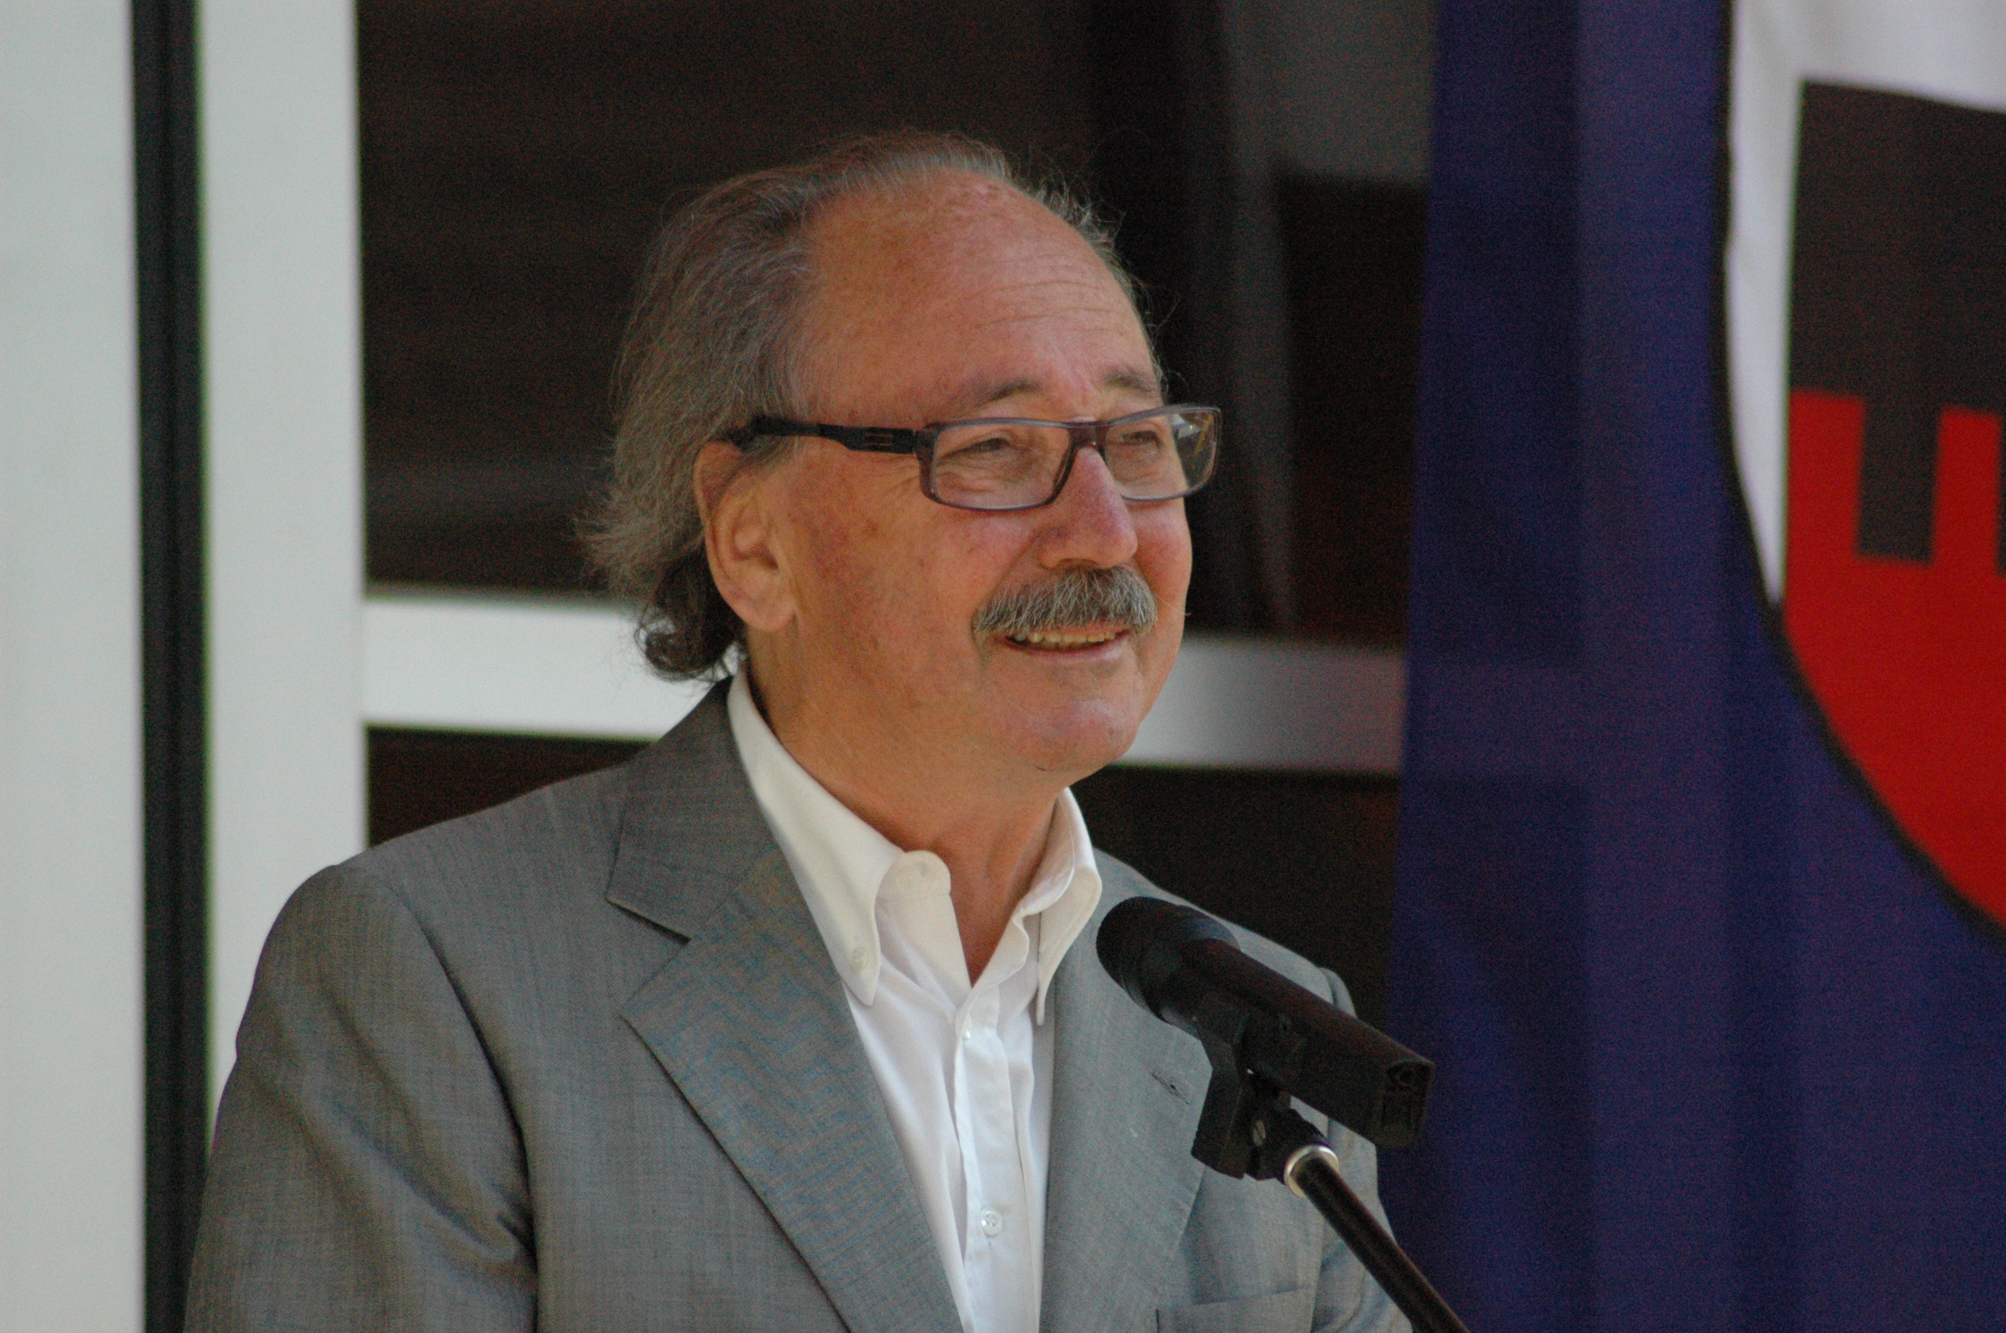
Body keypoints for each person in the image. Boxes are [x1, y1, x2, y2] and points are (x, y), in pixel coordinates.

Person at [186, 132, 1407, 1333]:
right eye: (993, 450)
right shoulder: (434, 980)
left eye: (1136, 443)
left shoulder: (1265, 1028)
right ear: (753, 544)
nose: (1103, 530)